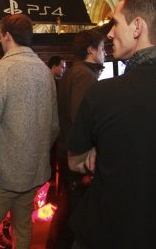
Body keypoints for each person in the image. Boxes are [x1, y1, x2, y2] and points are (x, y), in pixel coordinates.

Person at [68, 0, 156, 248]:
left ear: (137, 26)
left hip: (106, 235)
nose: (109, 33)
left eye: (116, 23)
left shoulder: (102, 94)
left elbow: (74, 161)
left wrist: (98, 151)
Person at [0, 13, 59, 249]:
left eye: (0, 36)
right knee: (22, 232)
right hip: (32, 174)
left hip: (0, 174)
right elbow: (53, 127)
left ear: (7, 36)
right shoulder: (45, 72)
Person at [46, 30, 105, 249]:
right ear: (91, 50)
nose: (105, 53)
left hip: (67, 150)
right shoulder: (84, 75)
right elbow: (80, 117)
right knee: (73, 212)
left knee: (68, 206)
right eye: (102, 48)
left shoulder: (75, 72)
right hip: (77, 155)